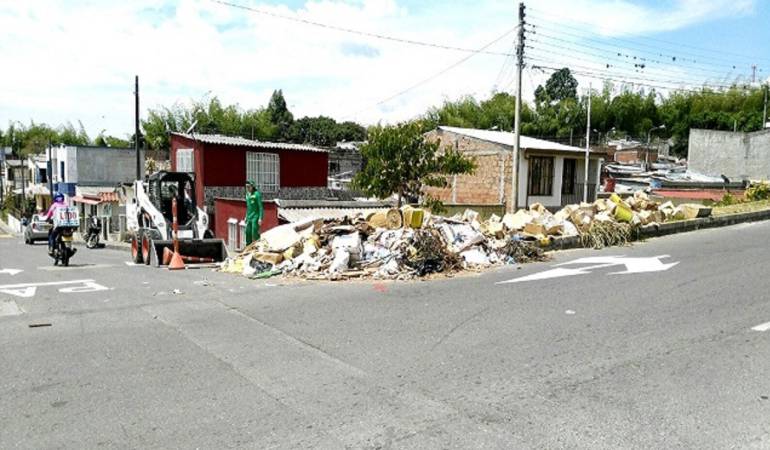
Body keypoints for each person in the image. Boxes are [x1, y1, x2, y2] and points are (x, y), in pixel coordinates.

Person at [244, 180, 263, 245]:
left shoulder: (257, 194)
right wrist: (246, 216)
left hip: (256, 216)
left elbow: (260, 207)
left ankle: (259, 244)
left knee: (254, 232)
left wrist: (260, 218)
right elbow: (248, 207)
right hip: (249, 216)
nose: (247, 189)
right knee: (247, 232)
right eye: (246, 187)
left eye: (249, 187)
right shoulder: (247, 195)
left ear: (252, 186)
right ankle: (248, 247)